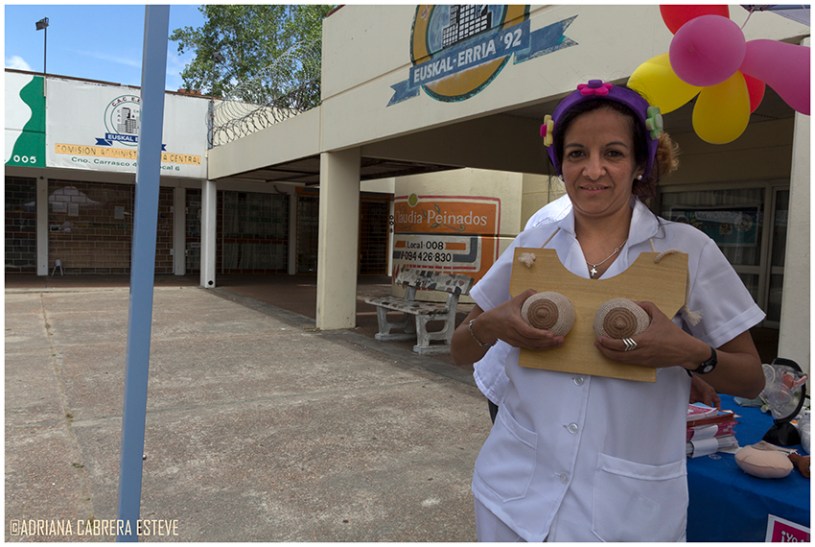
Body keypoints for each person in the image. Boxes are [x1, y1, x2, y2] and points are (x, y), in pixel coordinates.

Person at [451, 79, 765, 542]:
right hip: (512, 498)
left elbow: (752, 379)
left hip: (627, 514)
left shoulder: (688, 252)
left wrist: (687, 353)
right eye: (576, 153)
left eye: (613, 153)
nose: (592, 170)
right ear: (560, 164)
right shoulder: (533, 245)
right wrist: (492, 324)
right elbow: (460, 349)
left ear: (640, 163)